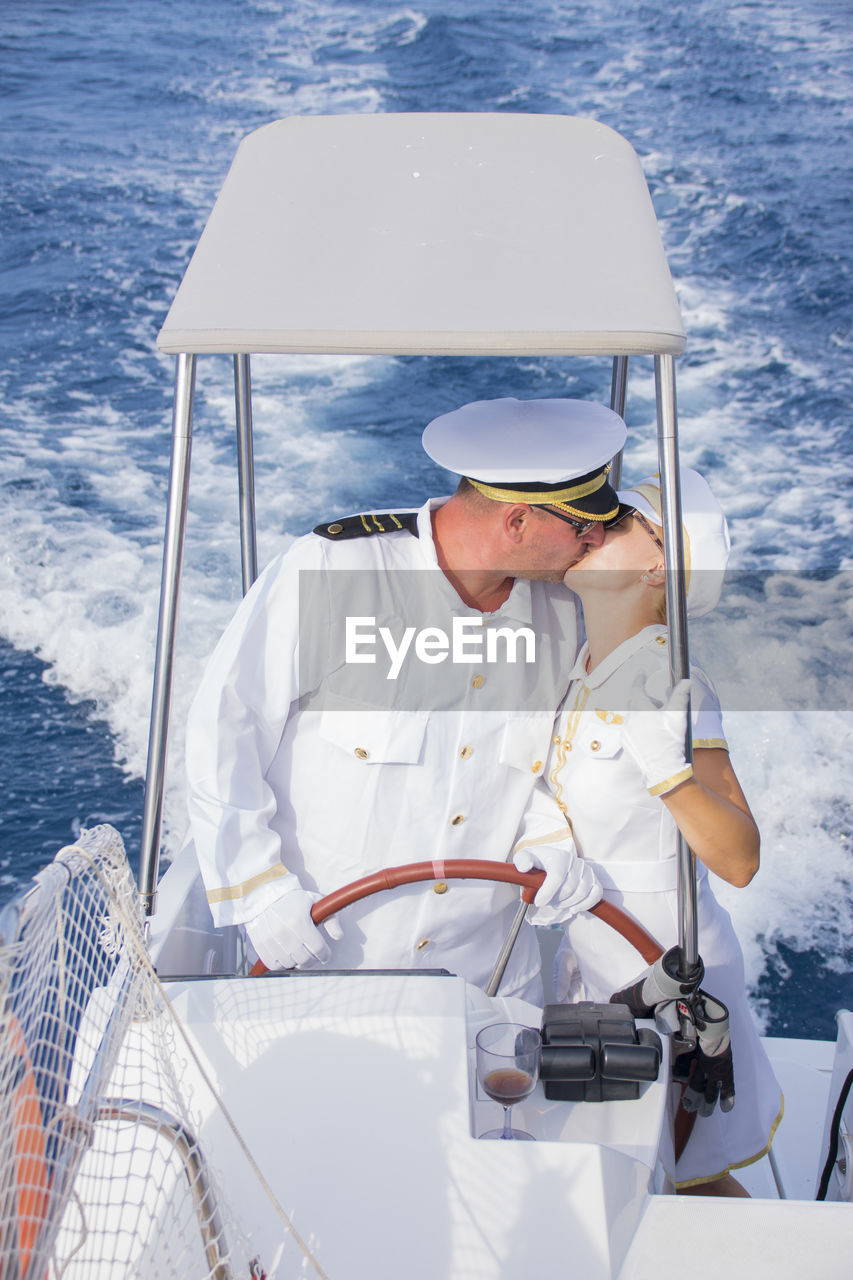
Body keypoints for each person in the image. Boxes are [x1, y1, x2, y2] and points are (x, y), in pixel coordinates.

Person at [184, 396, 623, 999]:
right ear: (517, 523)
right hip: (319, 960)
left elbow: (556, 764)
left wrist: (546, 842)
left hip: (487, 981)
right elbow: (226, 727)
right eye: (582, 525)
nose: (598, 539)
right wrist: (258, 891)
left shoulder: (568, 613)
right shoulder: (333, 570)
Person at [542, 466, 782, 1193]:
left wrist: (668, 772)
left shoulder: (670, 680)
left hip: (673, 975)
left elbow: (739, 858)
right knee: (630, 1173)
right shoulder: (583, 664)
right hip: (600, 960)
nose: (591, 525)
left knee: (690, 1184)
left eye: (615, 521)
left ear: (657, 565)